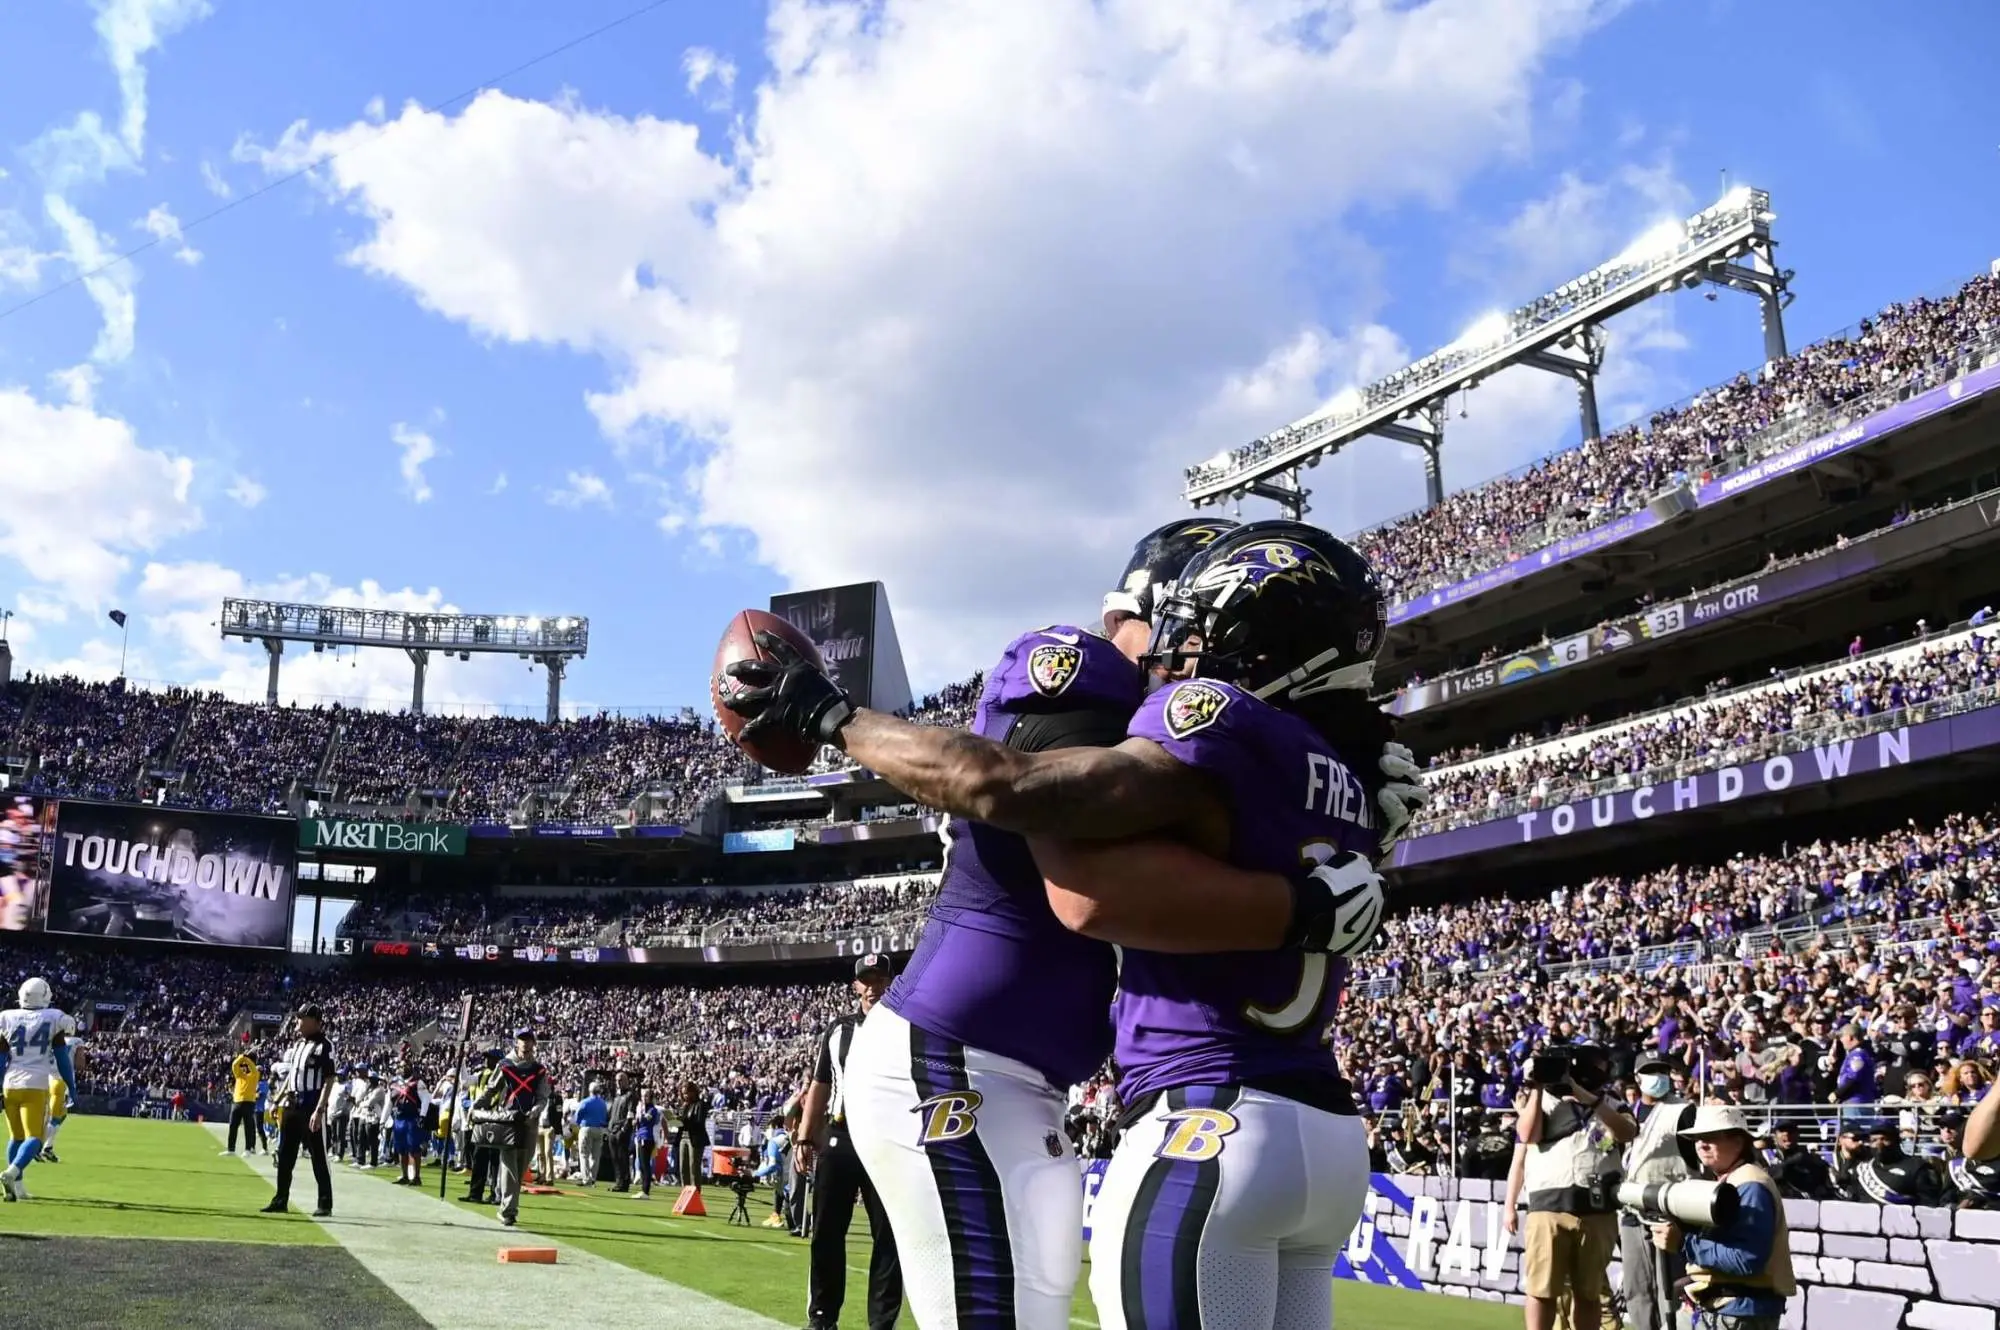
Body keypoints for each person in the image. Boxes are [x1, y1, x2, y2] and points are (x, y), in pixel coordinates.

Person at [722, 518, 1424, 1329]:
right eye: (1177, 626)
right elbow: (1075, 876)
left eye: (1201, 631)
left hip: (1058, 1081)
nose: (1183, 652)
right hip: (961, 1051)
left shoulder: (1240, 732)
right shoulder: (1083, 672)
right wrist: (1305, 895)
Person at [800, 956, 903, 1330]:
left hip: (887, 1139)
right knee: (826, 1229)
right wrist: (803, 1136)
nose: (873, 987)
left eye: (879, 979)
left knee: (889, 1236)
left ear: (891, 983)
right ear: (855, 986)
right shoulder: (838, 1030)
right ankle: (823, 1315)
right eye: (866, 980)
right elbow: (819, 1085)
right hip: (840, 1136)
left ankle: (882, 1322)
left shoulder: (907, 1027)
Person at [1506, 1046, 1635, 1330]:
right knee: (1542, 1290)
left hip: (1597, 1208)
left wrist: (1587, 1098)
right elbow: (1527, 1134)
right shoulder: (1542, 1101)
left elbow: (1627, 1132)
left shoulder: (1610, 1102)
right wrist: (1538, 1088)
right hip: (1549, 1206)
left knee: (1588, 1292)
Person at [1650, 1104, 1796, 1330]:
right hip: (1726, 1308)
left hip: (1740, 1313)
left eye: (1711, 1137)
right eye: (1697, 1138)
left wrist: (1683, 1243)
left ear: (1738, 1142)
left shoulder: (1750, 1186)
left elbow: (1747, 1259)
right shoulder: (1734, 1180)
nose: (1701, 1144)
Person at [1621, 1056, 1696, 1330]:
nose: (1658, 1077)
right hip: (1632, 1207)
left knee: (1672, 1286)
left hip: (1672, 1206)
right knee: (1637, 1286)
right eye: (1650, 1072)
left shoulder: (1684, 1110)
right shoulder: (1626, 1113)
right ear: (1637, 1078)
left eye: (1662, 1071)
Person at [1, 977, 80, 1202]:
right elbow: (63, 1059)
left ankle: (18, 1188)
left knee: (16, 1138)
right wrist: (71, 1087)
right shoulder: (54, 1017)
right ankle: (11, 1173)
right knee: (35, 1138)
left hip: (10, 1084)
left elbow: (0, 1058)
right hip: (35, 1085)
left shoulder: (6, 1017)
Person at [469, 1027, 551, 1228]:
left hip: (529, 1124)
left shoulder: (539, 1070)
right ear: (516, 1042)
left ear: (534, 1043)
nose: (525, 1043)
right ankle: (508, 1211)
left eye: (528, 1039)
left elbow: (542, 1097)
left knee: (521, 1167)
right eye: (522, 1039)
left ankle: (504, 1199)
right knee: (510, 1167)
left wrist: (536, 1111)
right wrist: (476, 1107)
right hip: (508, 1121)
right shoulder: (505, 1065)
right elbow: (491, 1090)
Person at [263, 1005, 336, 1218]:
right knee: (285, 1154)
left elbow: (329, 1079)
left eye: (301, 1019)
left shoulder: (325, 1046)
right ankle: (280, 1199)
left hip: (311, 1104)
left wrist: (320, 1109)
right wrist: (278, 1100)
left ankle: (325, 1203)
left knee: (318, 1156)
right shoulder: (298, 1045)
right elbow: (291, 1077)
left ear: (314, 1020)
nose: (297, 1023)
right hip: (292, 1104)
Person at [461, 1048, 505, 1203]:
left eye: (491, 1058)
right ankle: (475, 1193)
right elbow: (465, 1081)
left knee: (495, 1159)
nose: (487, 1061)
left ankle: (495, 1193)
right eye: (487, 1058)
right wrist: (461, 1063)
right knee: (479, 1157)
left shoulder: (504, 1076)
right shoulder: (482, 1075)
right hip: (482, 1119)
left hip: (497, 1118)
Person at [225, 1047, 262, 1155]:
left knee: (248, 1127)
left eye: (246, 1066)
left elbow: (252, 1067)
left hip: (248, 1102)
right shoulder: (240, 1075)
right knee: (233, 1126)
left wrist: (246, 1059)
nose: (245, 1067)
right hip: (237, 1101)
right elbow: (234, 1065)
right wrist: (242, 1056)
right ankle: (230, 1149)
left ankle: (248, 1149)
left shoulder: (255, 1074)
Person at [575, 1080, 610, 1185]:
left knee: (584, 1154)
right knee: (595, 1156)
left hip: (587, 1128)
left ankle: (586, 1179)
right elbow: (605, 1116)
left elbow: (577, 1116)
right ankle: (592, 1177)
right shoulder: (603, 1103)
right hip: (599, 1129)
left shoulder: (585, 1102)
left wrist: (578, 1123)